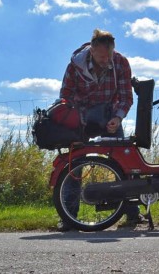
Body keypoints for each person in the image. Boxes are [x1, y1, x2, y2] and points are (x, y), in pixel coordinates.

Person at [57, 28, 143, 231]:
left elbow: (125, 96)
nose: (106, 61)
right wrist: (74, 121)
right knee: (74, 165)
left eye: (109, 55)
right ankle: (69, 218)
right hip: (82, 118)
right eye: (102, 56)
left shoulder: (121, 63)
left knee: (125, 162)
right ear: (91, 51)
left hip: (108, 116)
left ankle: (133, 214)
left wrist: (118, 117)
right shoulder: (75, 66)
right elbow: (65, 96)